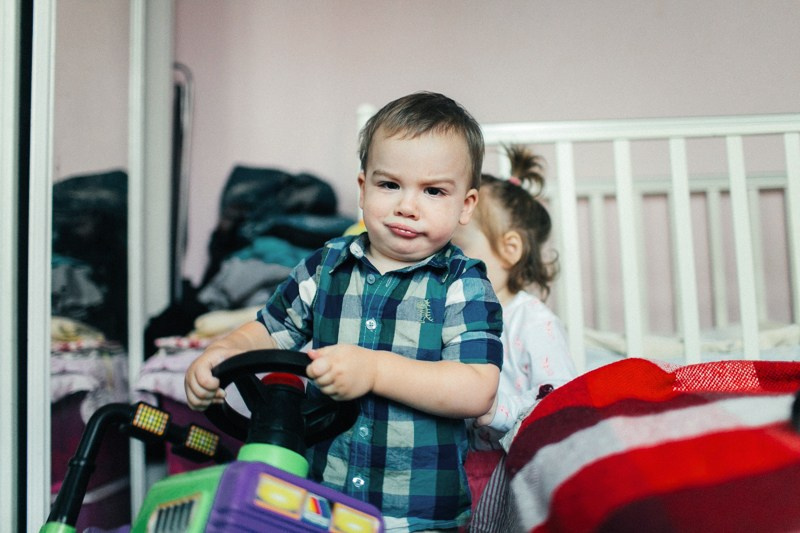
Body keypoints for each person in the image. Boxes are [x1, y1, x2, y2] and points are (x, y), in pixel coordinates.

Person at [185, 91, 504, 532]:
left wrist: (374, 371)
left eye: (433, 191)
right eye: (389, 184)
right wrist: (220, 354)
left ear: (465, 205)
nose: (406, 206)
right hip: (319, 504)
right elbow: (270, 330)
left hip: (416, 516)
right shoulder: (325, 267)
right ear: (363, 187)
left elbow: (476, 389)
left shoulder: (464, 285)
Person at [450, 145, 577, 512]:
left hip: (507, 467)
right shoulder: (449, 314)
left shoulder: (533, 322)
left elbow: (558, 402)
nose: (444, 264)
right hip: (453, 467)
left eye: (457, 249)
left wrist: (496, 410)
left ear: (509, 250)